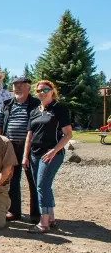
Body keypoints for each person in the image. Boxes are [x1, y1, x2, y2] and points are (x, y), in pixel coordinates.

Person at [23, 80, 72, 234]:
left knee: (42, 185)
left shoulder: (59, 109)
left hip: (51, 154)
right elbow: (29, 136)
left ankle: (43, 223)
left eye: (45, 90)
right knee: (44, 186)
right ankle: (51, 218)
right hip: (34, 154)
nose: (42, 93)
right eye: (39, 90)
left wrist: (54, 151)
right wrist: (25, 156)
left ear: (52, 91)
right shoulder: (34, 111)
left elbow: (68, 134)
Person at [0, 76, 40, 223]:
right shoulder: (7, 104)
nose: (17, 88)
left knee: (33, 180)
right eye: (15, 85)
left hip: (31, 147)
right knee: (12, 180)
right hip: (11, 147)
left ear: (28, 87)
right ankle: (14, 211)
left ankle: (36, 214)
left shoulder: (36, 104)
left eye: (21, 85)